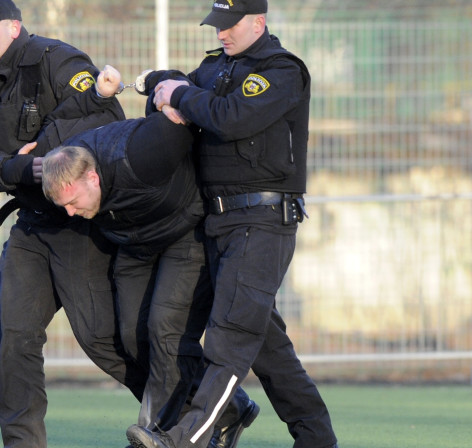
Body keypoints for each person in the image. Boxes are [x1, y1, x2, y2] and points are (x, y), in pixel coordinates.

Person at [125, 1, 339, 448]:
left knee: (230, 338)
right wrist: (154, 86)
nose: (221, 34)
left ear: (258, 22)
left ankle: (186, 440)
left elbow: (232, 116)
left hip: (261, 221)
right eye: (217, 25)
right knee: (266, 347)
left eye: (230, 25)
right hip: (219, 221)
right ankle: (317, 439)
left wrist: (180, 95)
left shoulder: (280, 71)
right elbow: (182, 88)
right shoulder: (216, 68)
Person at [0, 1, 148, 446]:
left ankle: (197, 409)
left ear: (14, 27)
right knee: (13, 335)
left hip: (78, 220)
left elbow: (105, 117)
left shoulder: (57, 59)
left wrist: (45, 152)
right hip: (31, 223)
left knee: (103, 340)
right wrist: (25, 171)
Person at [36, 66, 259, 446]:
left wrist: (161, 84)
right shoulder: (72, 172)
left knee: (165, 330)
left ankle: (159, 435)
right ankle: (231, 406)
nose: (70, 213)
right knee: (132, 336)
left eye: (73, 203)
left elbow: (179, 99)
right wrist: (20, 163)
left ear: (92, 178)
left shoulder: (144, 152)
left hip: (185, 231)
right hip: (136, 243)